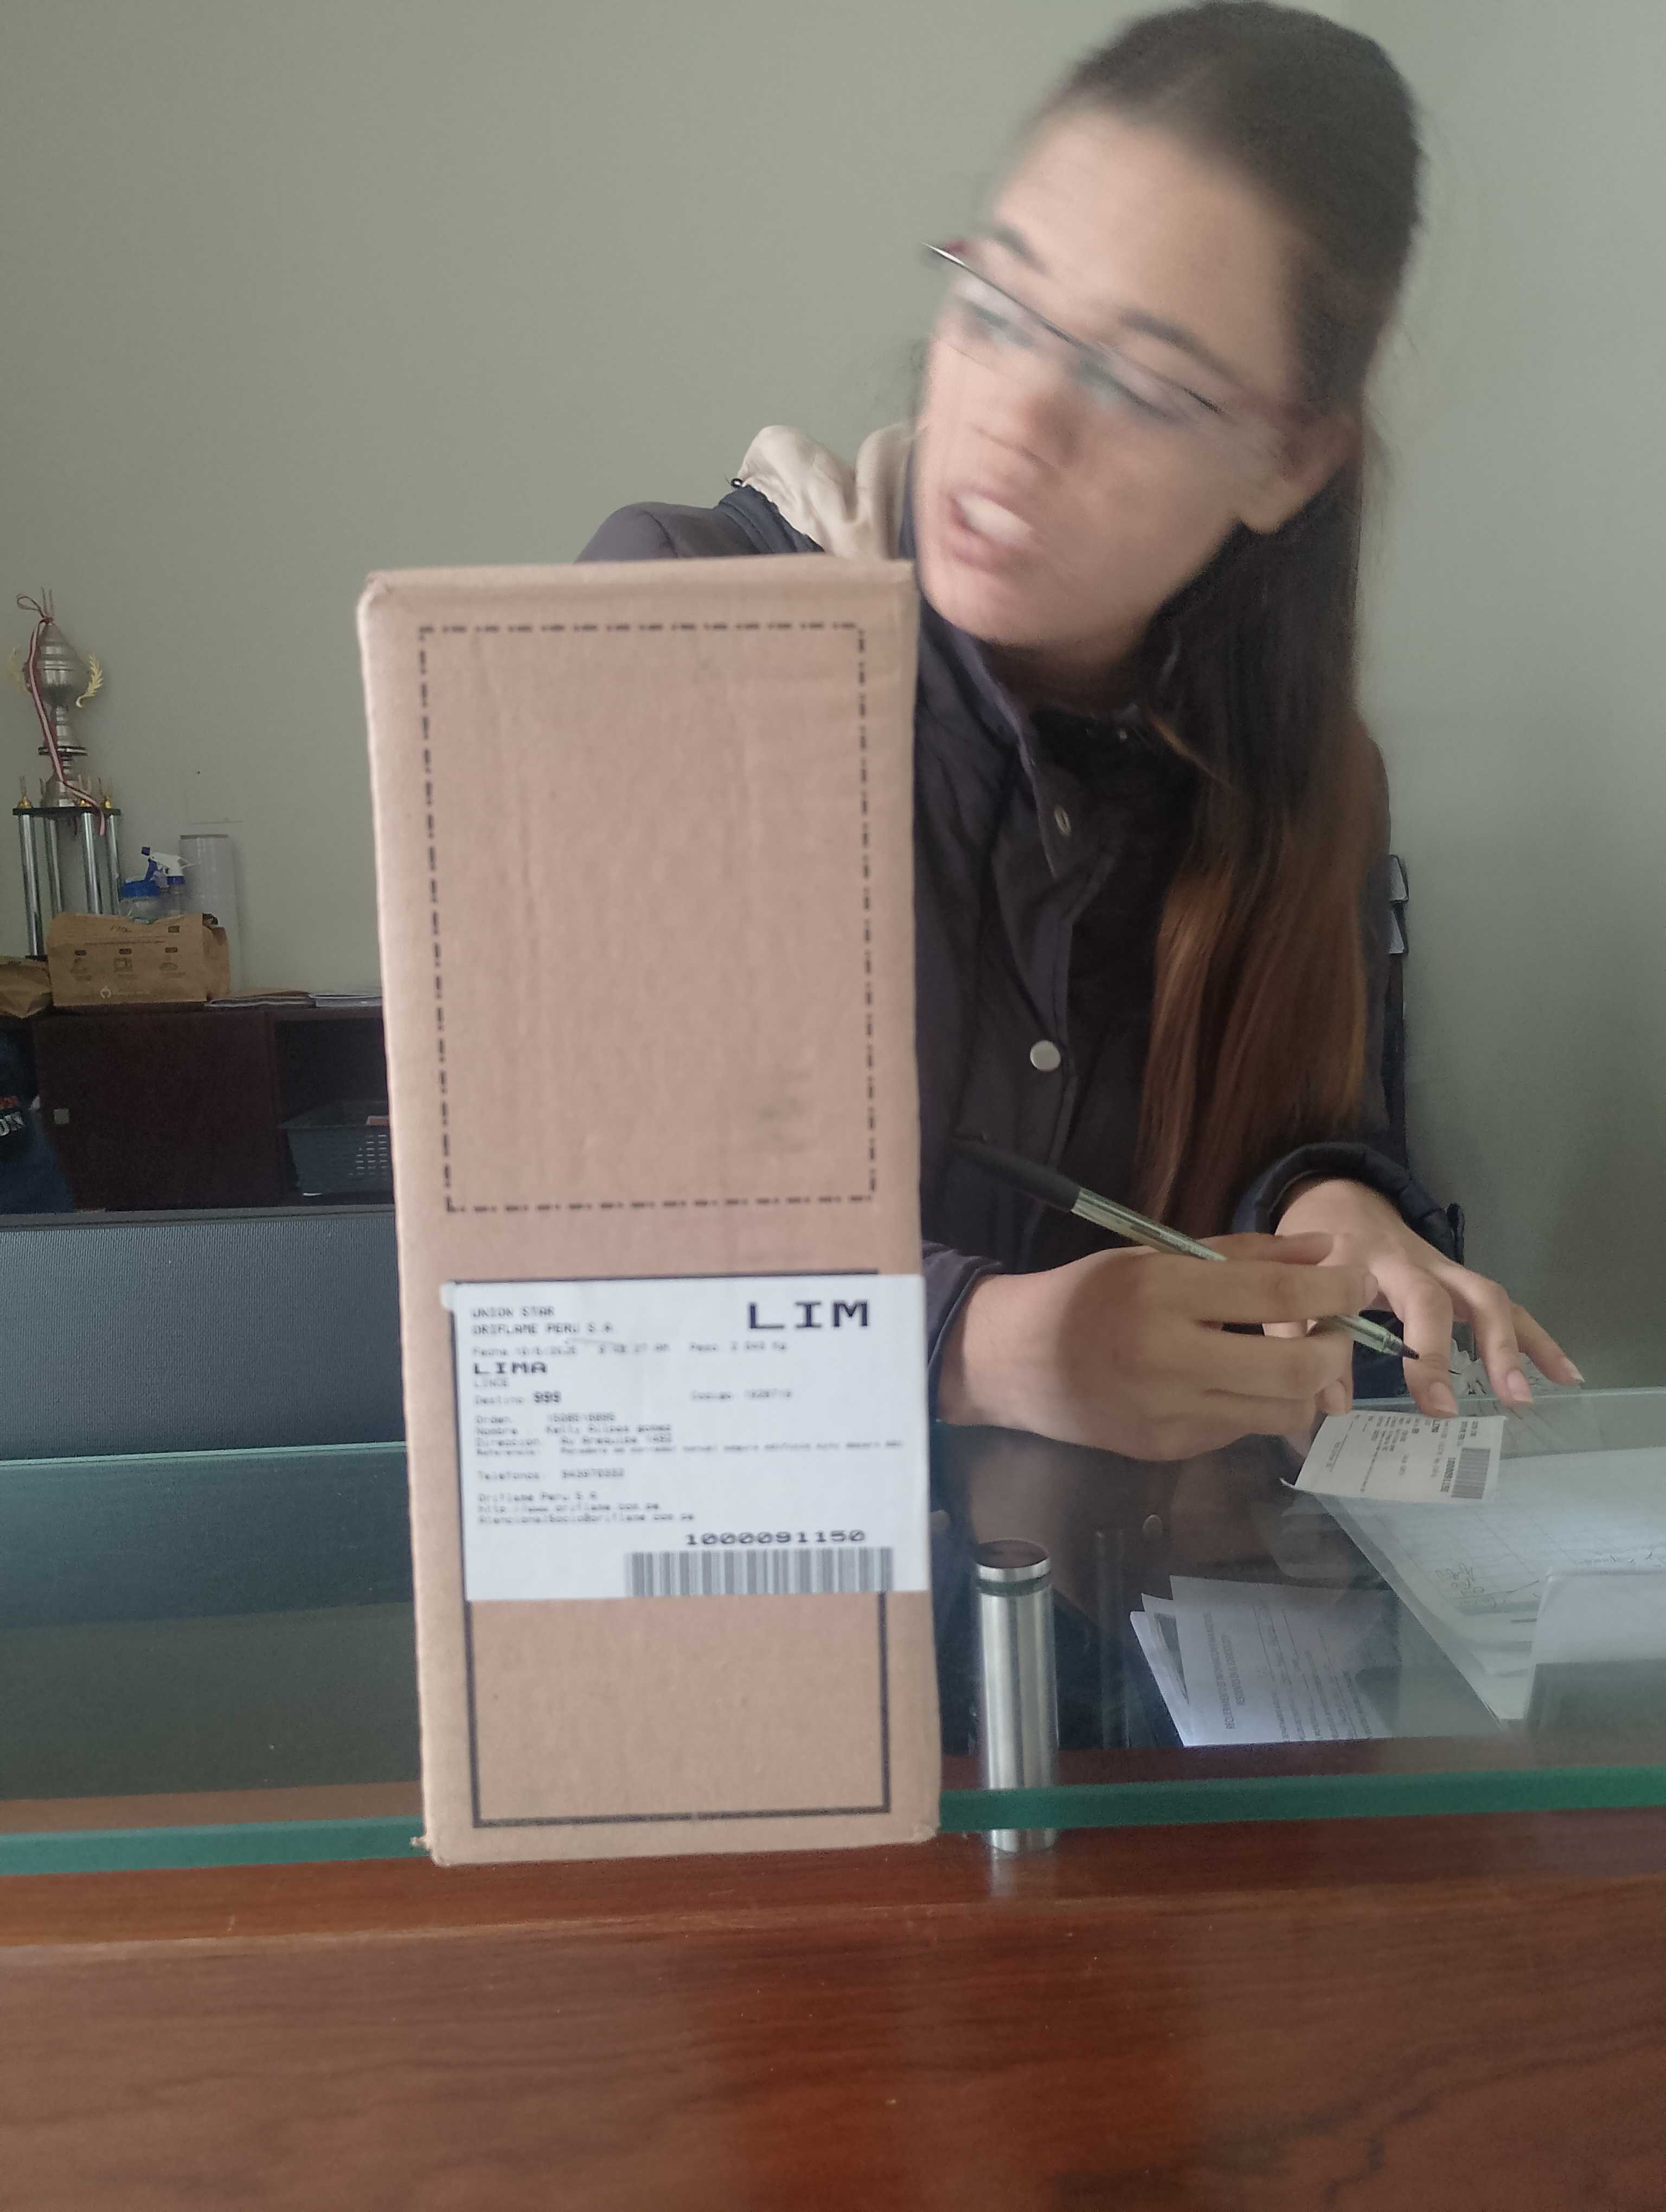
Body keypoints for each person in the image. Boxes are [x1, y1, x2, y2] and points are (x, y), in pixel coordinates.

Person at [579, 1, 1579, 1461]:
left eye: (1141, 385)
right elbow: (552, 1262)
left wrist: (1332, 1207)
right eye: (998, 304)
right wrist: (979, 1348)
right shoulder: (671, 625)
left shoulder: (1311, 785)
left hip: (1140, 1589)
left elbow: (1308, 1130)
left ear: (1287, 459)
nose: (1017, 422)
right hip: (736, 1578)